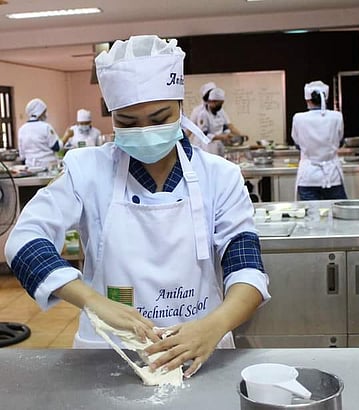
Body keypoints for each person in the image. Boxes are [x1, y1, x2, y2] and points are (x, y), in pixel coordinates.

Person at [5, 35, 270, 377]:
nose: (145, 132)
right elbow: (25, 240)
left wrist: (214, 326)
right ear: (112, 117)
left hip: (200, 350)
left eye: (159, 118)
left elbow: (246, 268)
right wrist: (95, 303)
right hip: (109, 352)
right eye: (128, 123)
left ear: (179, 108)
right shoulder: (86, 170)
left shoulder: (220, 176)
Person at [291, 80, 347, 200]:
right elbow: (340, 140)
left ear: (307, 99)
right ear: (325, 98)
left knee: (311, 216)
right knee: (336, 215)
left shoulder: (298, 118)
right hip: (332, 177)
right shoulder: (336, 117)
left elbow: (297, 143)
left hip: (308, 177)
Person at [194, 87, 247, 156]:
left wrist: (231, 136)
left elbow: (225, 127)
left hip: (220, 146)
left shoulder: (220, 112)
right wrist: (222, 137)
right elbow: (204, 134)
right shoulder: (203, 114)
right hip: (209, 147)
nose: (220, 106)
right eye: (218, 104)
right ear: (212, 101)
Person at [18, 98, 63, 168]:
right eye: (45, 112)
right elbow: (56, 147)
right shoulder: (46, 127)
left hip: (30, 167)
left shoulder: (22, 129)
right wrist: (67, 136)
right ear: (40, 112)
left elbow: (22, 155)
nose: (46, 114)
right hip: (48, 166)